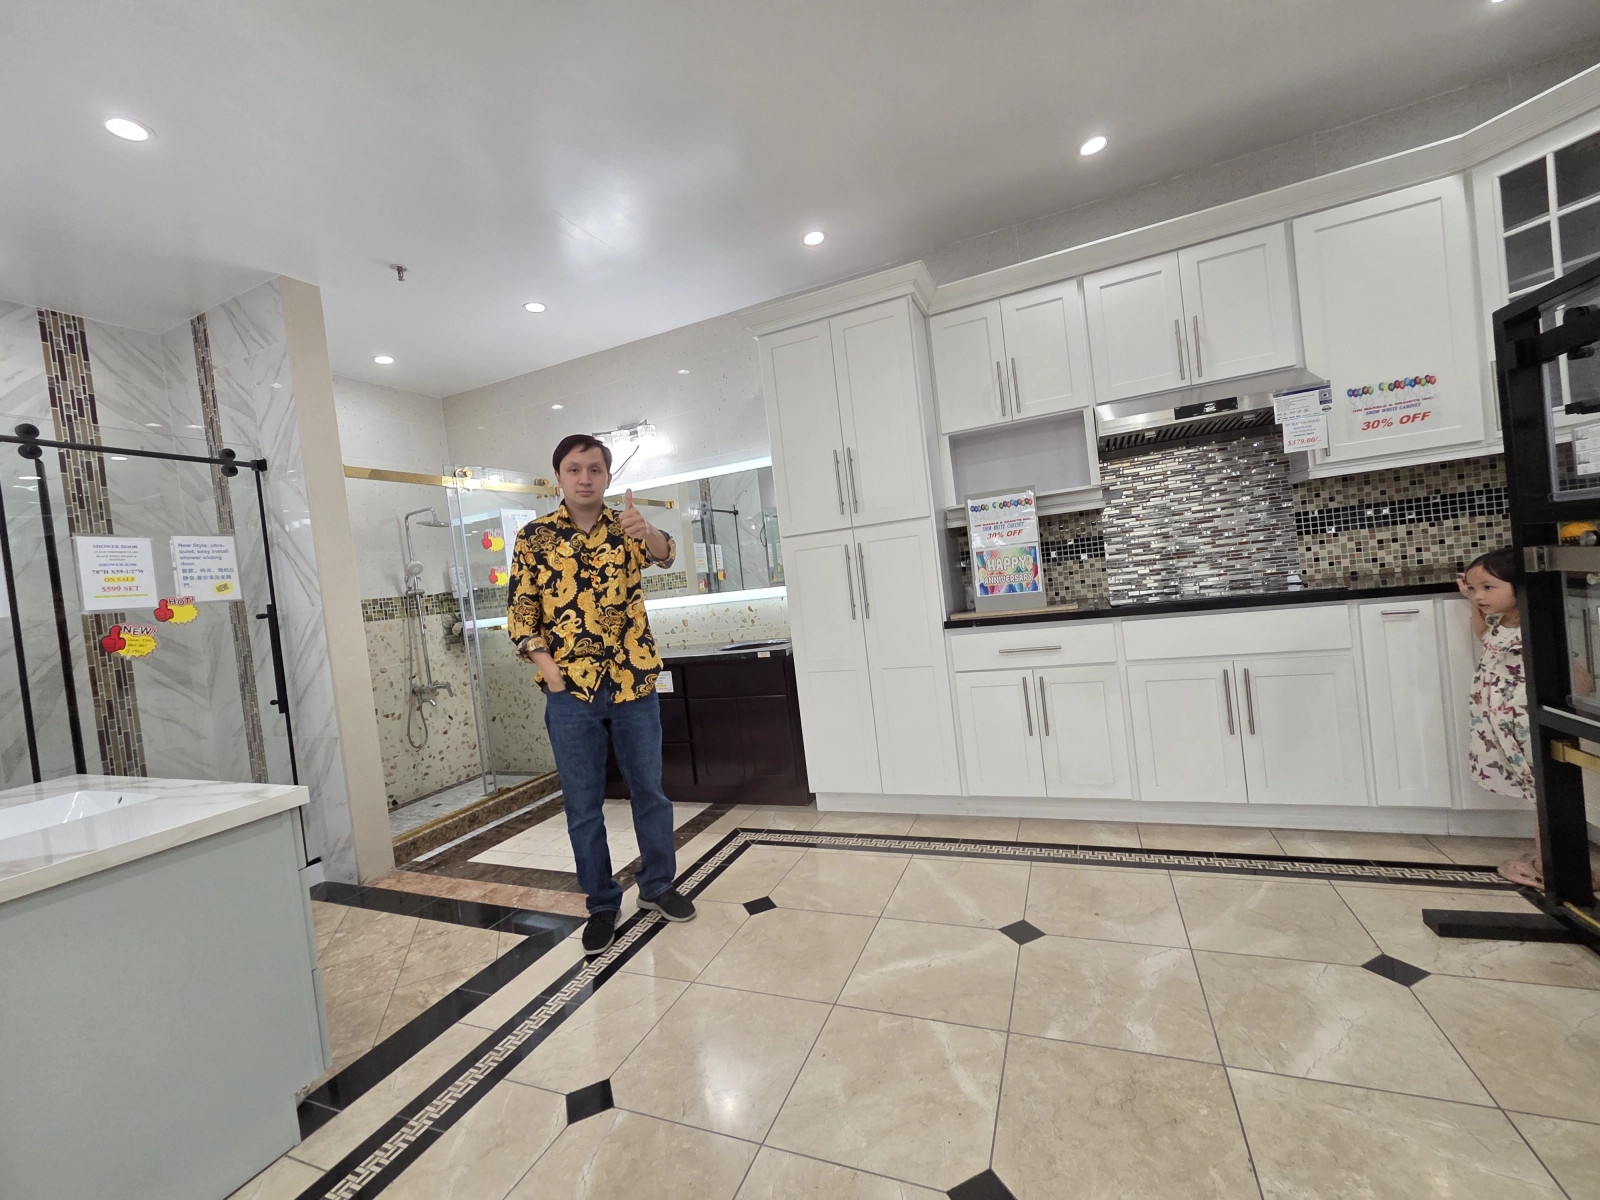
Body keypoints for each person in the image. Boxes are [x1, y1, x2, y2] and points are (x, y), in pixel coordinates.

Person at [506, 433, 697, 953]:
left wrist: (651, 530)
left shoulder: (628, 526)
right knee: (583, 805)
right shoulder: (534, 537)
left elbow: (666, 557)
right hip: (570, 694)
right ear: (559, 478)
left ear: (608, 476)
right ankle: (601, 903)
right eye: (574, 469)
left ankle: (658, 887)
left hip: (634, 683)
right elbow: (522, 616)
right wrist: (552, 674)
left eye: (594, 469)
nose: (585, 477)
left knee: (650, 793)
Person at [1458, 548, 1541, 886]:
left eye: (1487, 587)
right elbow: (1484, 635)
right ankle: (1546, 857)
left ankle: (1548, 867)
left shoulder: (1534, 625)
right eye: (1473, 587)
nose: (1479, 596)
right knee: (1539, 791)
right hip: (1502, 723)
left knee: (1544, 790)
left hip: (1522, 722)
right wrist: (1470, 603)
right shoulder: (1504, 622)